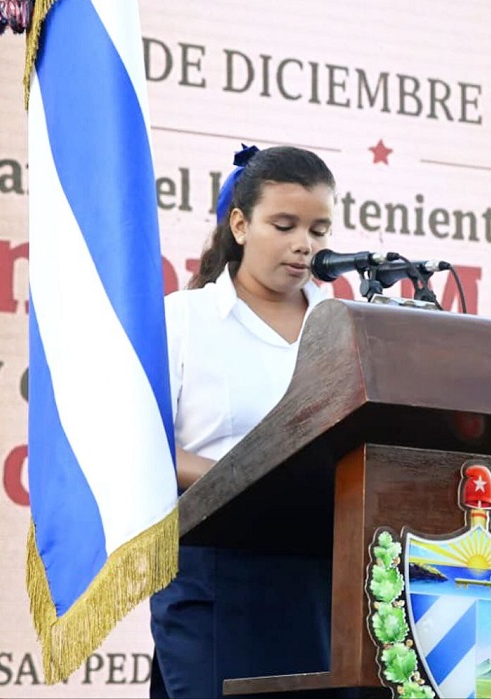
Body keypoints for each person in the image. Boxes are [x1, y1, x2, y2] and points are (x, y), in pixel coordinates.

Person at [150, 144, 338, 699]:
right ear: (239, 223)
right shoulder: (183, 320)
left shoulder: (342, 327)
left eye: (320, 229)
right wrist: (246, 479)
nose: (305, 244)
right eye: (284, 225)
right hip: (215, 571)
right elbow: (143, 447)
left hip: (323, 580)